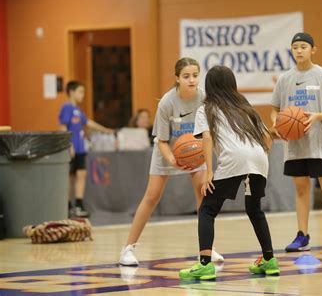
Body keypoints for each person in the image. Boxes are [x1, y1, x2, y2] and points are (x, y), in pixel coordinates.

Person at [119, 58, 223, 266]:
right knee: (152, 196)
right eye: (186, 76)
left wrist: (207, 163)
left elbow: (208, 134)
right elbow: (162, 140)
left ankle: (207, 248)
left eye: (195, 75)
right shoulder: (167, 102)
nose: (191, 80)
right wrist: (173, 160)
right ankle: (127, 249)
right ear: (177, 78)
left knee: (204, 195)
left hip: (195, 151)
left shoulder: (204, 98)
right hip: (167, 151)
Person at [179, 66, 279, 280]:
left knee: (207, 209)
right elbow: (267, 137)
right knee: (254, 209)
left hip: (234, 158)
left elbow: (207, 138)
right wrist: (259, 157)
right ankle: (269, 259)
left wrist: (209, 171)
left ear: (210, 86)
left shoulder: (206, 108)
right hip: (259, 157)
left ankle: (205, 264)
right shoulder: (245, 106)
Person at [270, 32, 322, 254]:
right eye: (295, 46)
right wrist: (278, 124)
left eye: (303, 46)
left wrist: (316, 116)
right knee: (300, 189)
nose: (299, 50)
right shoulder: (284, 79)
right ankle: (302, 236)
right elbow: (274, 111)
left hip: (319, 144)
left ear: (313, 50)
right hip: (295, 146)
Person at [59, 81, 114, 218]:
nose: (83, 95)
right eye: (80, 91)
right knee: (70, 178)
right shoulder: (66, 108)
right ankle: (67, 205)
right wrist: (68, 145)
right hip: (71, 149)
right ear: (71, 92)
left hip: (80, 148)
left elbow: (88, 123)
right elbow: (63, 127)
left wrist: (106, 130)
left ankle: (78, 203)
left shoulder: (78, 110)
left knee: (80, 175)